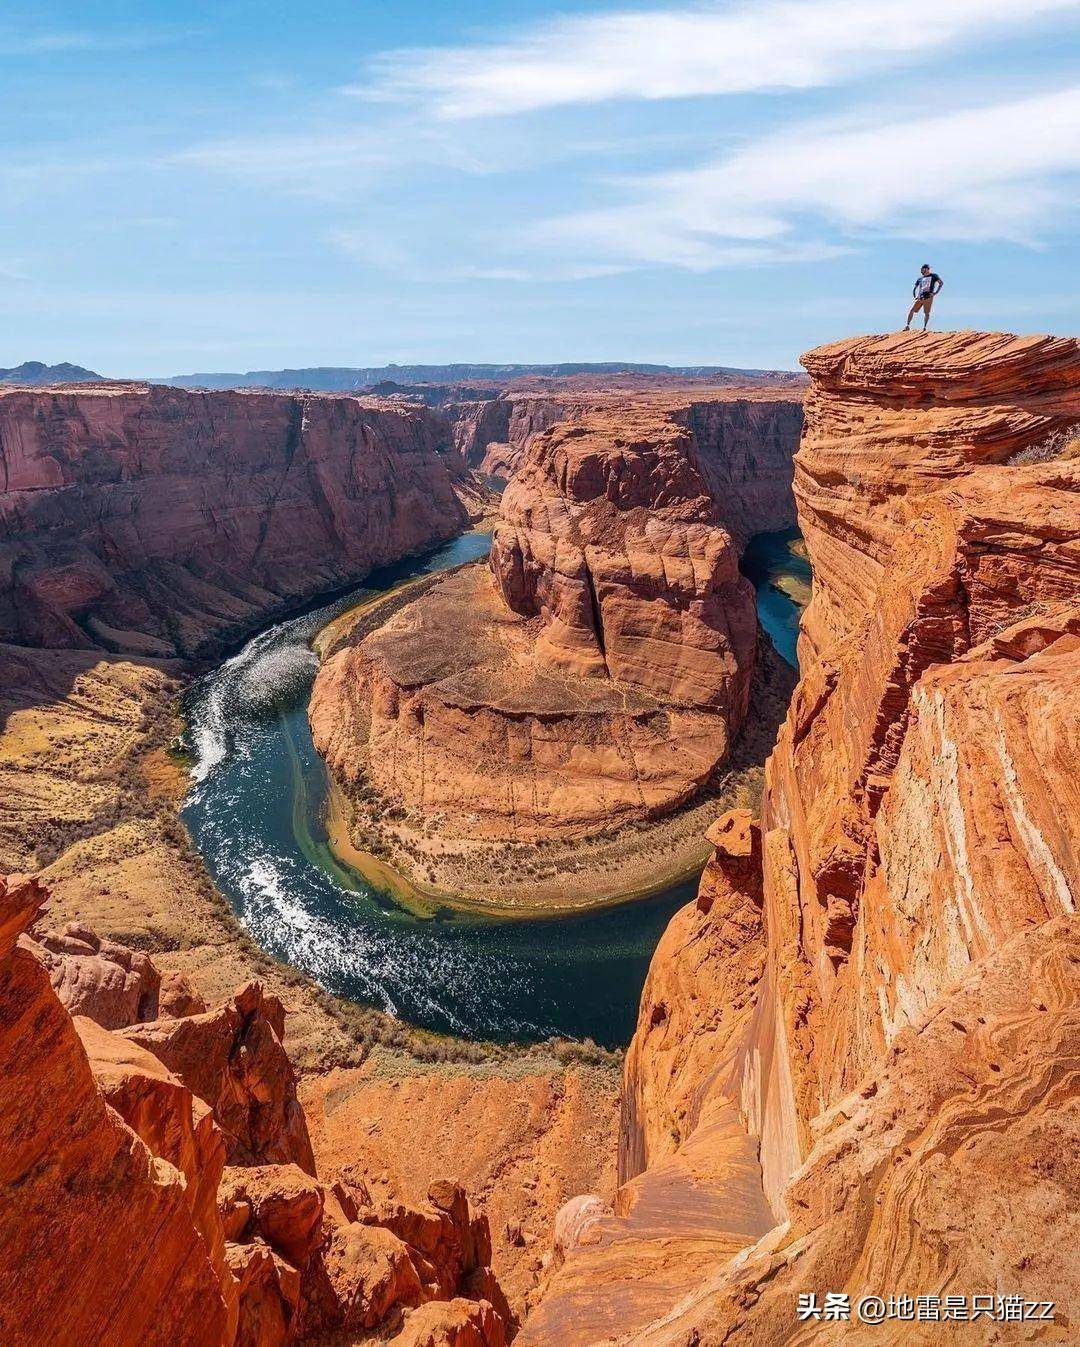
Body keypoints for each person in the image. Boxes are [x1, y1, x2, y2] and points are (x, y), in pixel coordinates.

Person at [905, 264, 943, 330]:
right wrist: (915, 296)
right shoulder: (920, 278)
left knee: (926, 313)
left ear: (927, 269)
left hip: (928, 296)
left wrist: (935, 293)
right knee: (912, 310)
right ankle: (907, 325)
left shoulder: (934, 276)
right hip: (920, 297)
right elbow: (915, 288)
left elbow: (941, 283)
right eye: (921, 270)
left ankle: (924, 327)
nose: (921, 271)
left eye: (923, 269)